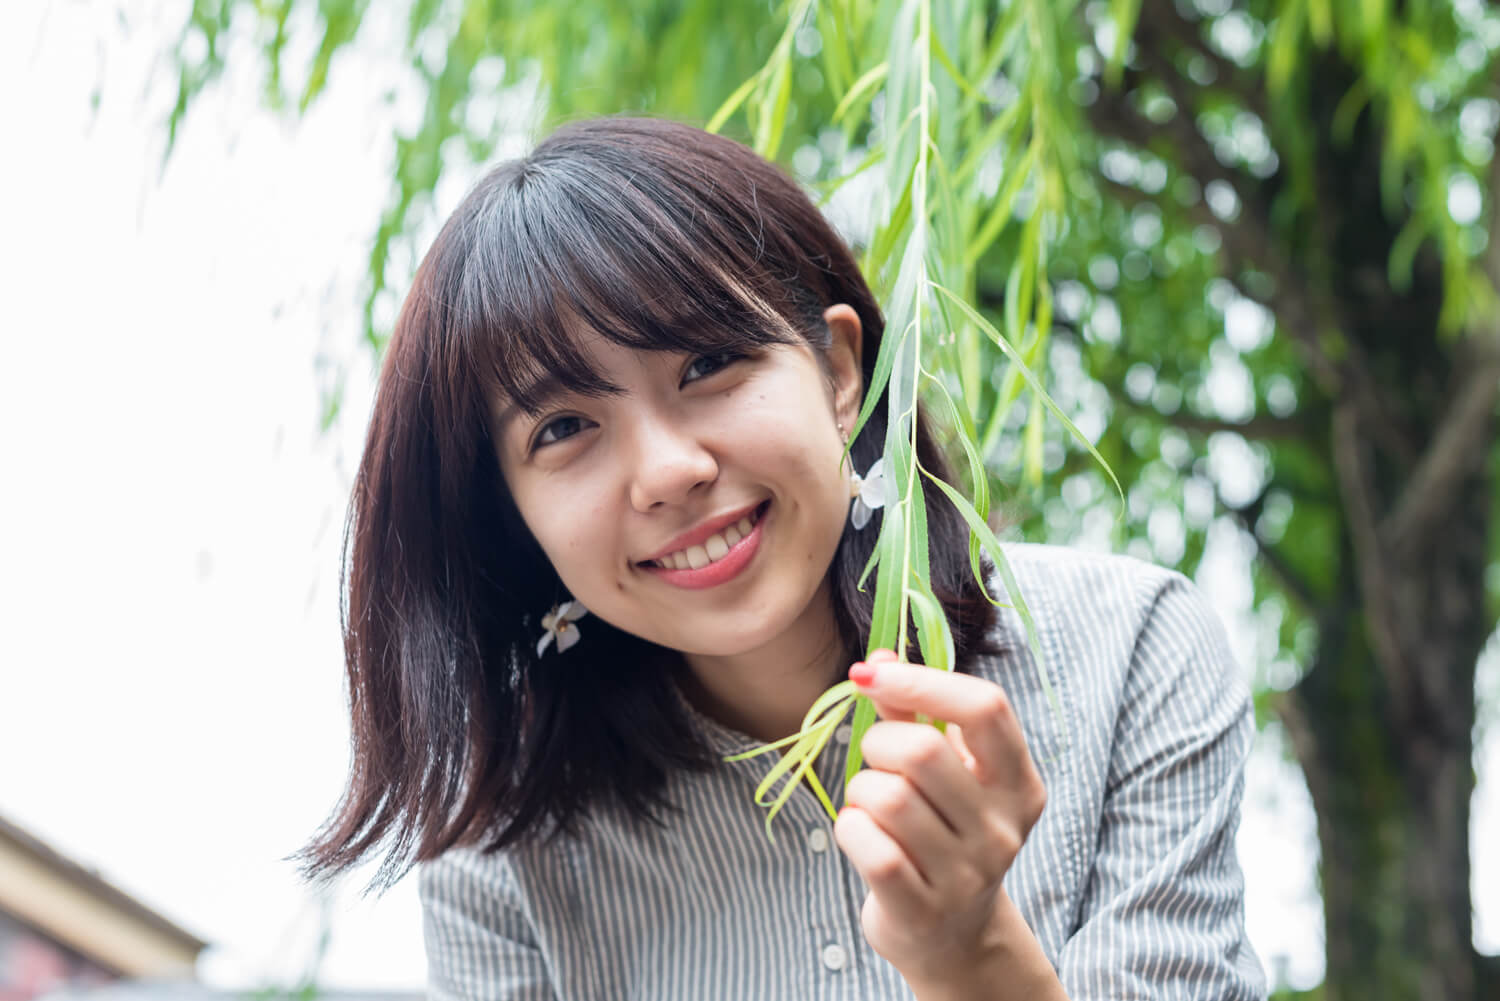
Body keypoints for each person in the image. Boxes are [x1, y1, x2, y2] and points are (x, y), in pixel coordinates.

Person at [293, 115, 1268, 1000]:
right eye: (564, 426)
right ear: (514, 519)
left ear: (841, 373)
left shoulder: (1126, 649)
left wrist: (970, 957)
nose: (669, 470)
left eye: (708, 364)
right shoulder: (500, 840)